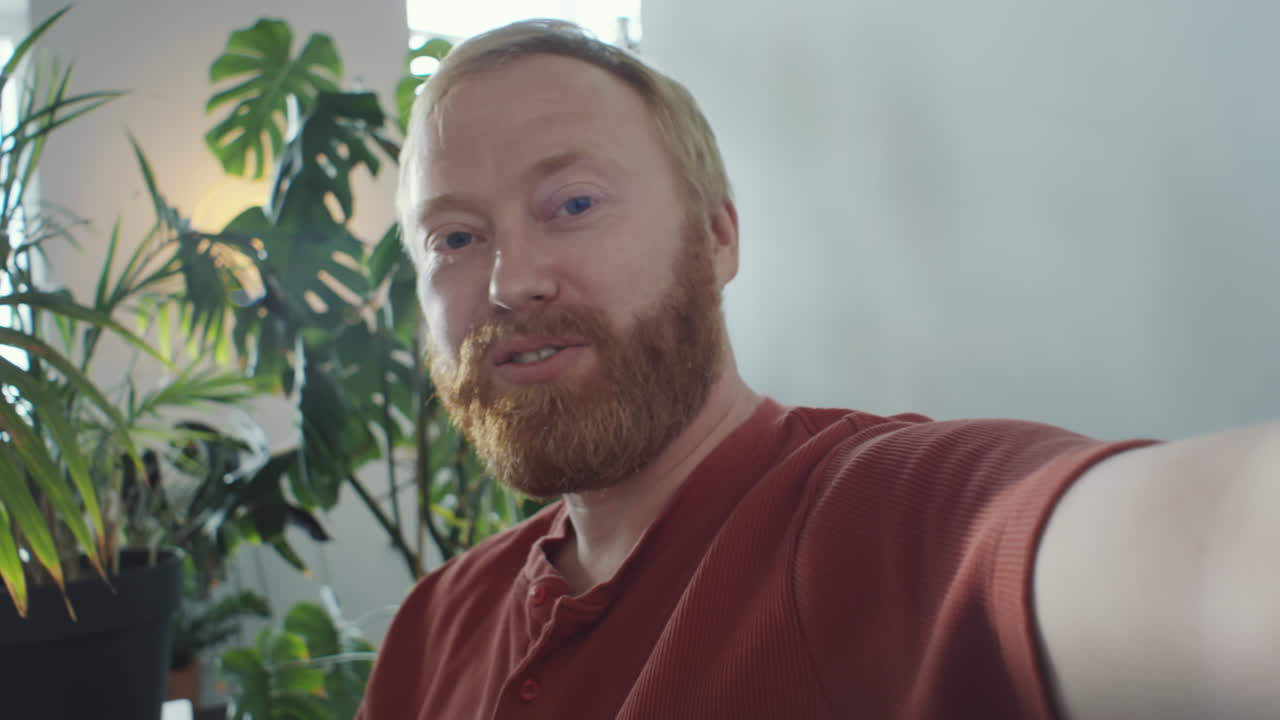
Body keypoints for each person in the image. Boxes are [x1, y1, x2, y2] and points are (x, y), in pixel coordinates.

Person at [358, 18, 1279, 720]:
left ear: (716, 237)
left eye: (574, 202)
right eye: (457, 236)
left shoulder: (867, 516)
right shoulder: (431, 627)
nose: (512, 281)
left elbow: (1217, 550)